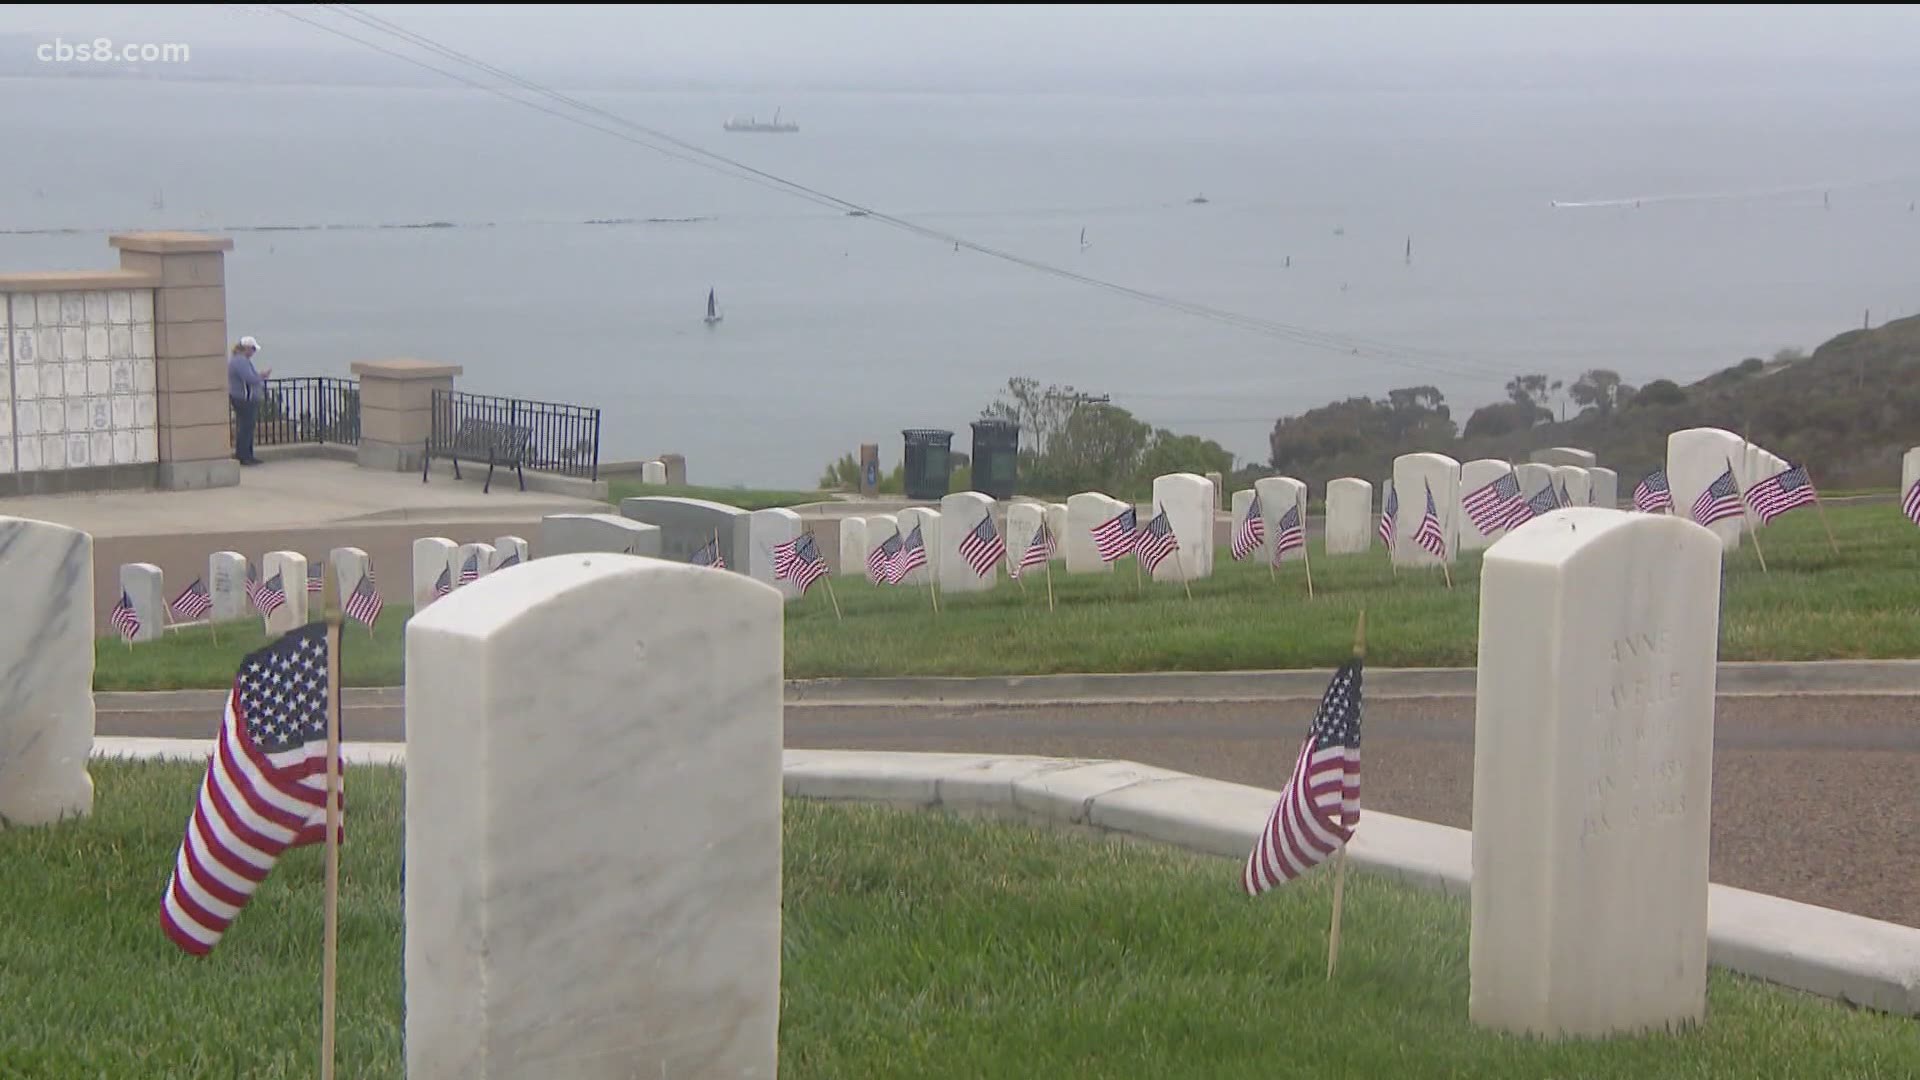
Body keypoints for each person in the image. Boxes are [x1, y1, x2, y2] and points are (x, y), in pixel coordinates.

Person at [227, 336, 270, 466]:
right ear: (246, 348)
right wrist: (261, 376)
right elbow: (249, 379)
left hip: (242, 398)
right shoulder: (240, 361)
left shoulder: (239, 360)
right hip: (244, 399)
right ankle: (244, 455)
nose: (253, 353)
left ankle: (247, 454)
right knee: (246, 427)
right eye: (252, 349)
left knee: (246, 427)